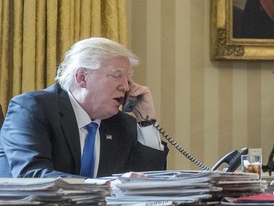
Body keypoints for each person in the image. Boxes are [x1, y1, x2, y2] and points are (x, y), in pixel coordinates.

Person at [0, 37, 168, 178]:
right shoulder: (32, 109)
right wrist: (102, 186)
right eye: (117, 76)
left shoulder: (123, 124)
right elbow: (32, 175)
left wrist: (146, 123)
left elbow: (148, 186)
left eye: (128, 78)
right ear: (82, 78)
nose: (125, 86)